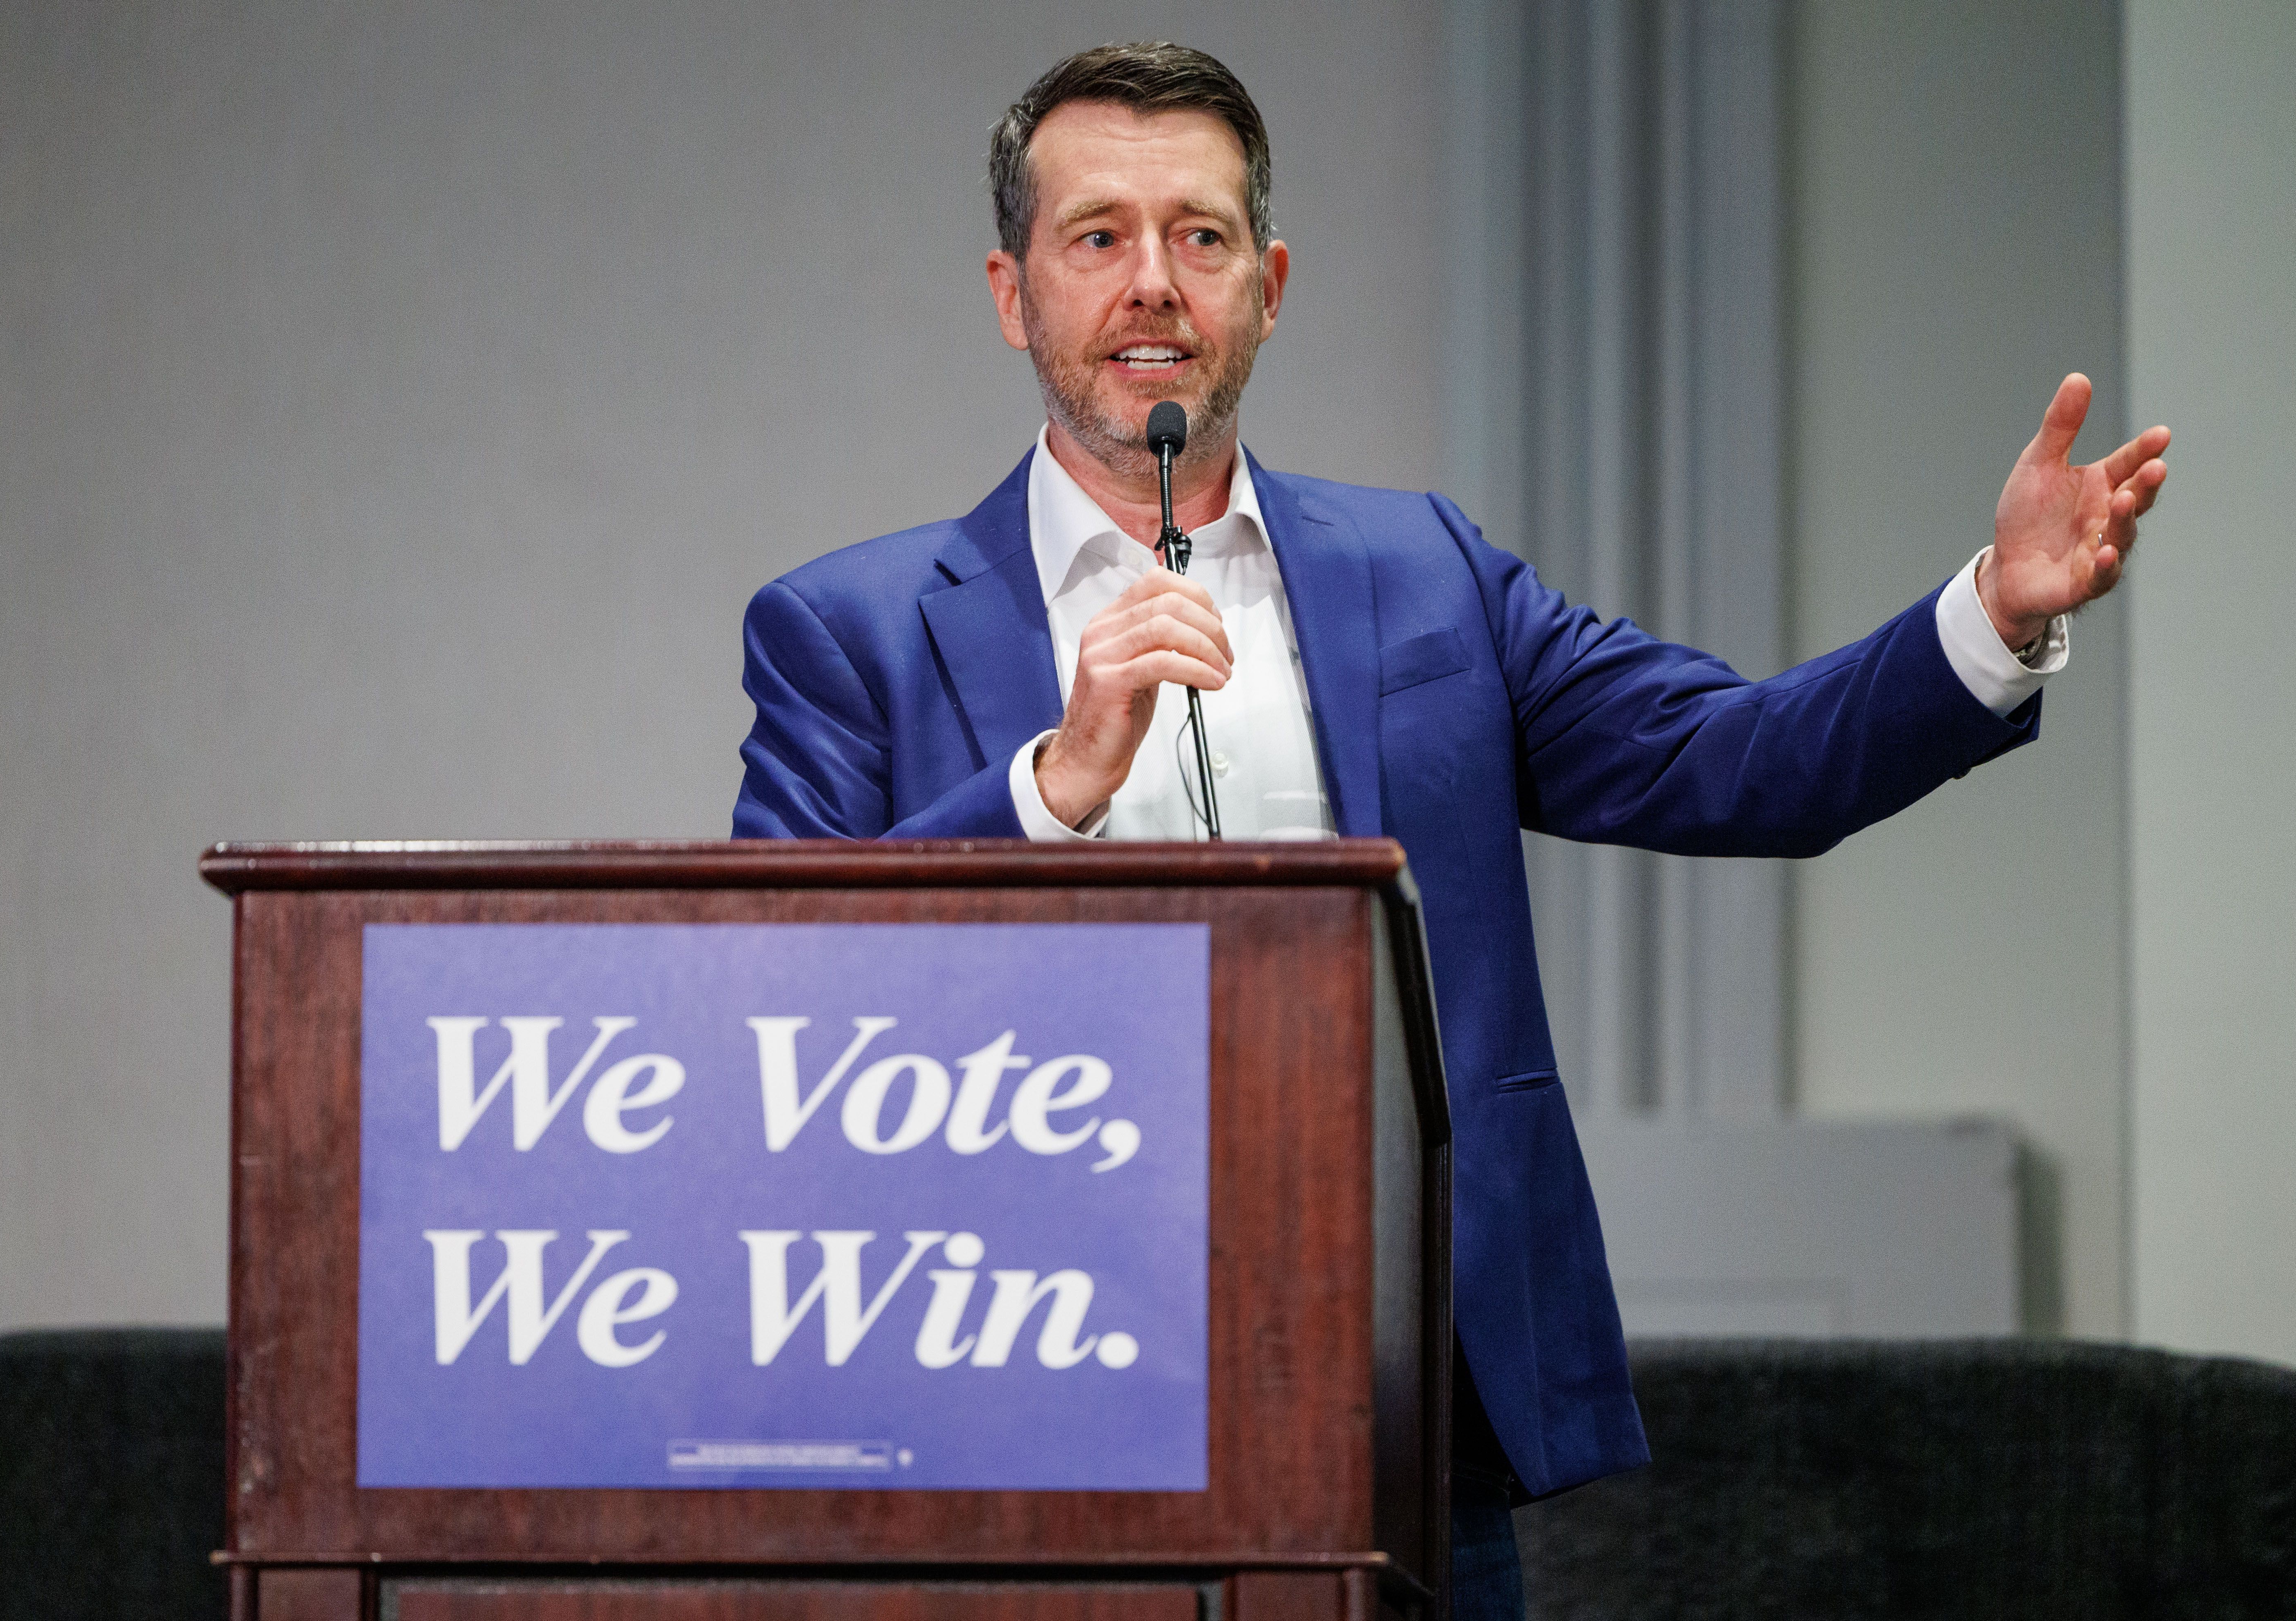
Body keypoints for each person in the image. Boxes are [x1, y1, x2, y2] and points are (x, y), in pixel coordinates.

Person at [730, 41, 2170, 1619]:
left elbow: (1734, 759)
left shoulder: (1423, 575)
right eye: (1098, 238)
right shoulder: (848, 628)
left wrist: (1989, 618)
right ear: (1013, 292)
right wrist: (1047, 786)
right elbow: (776, 996)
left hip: (1392, 1411)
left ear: (1267, 284)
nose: (1153, 281)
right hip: (1012, 1420)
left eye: (1199, 237)